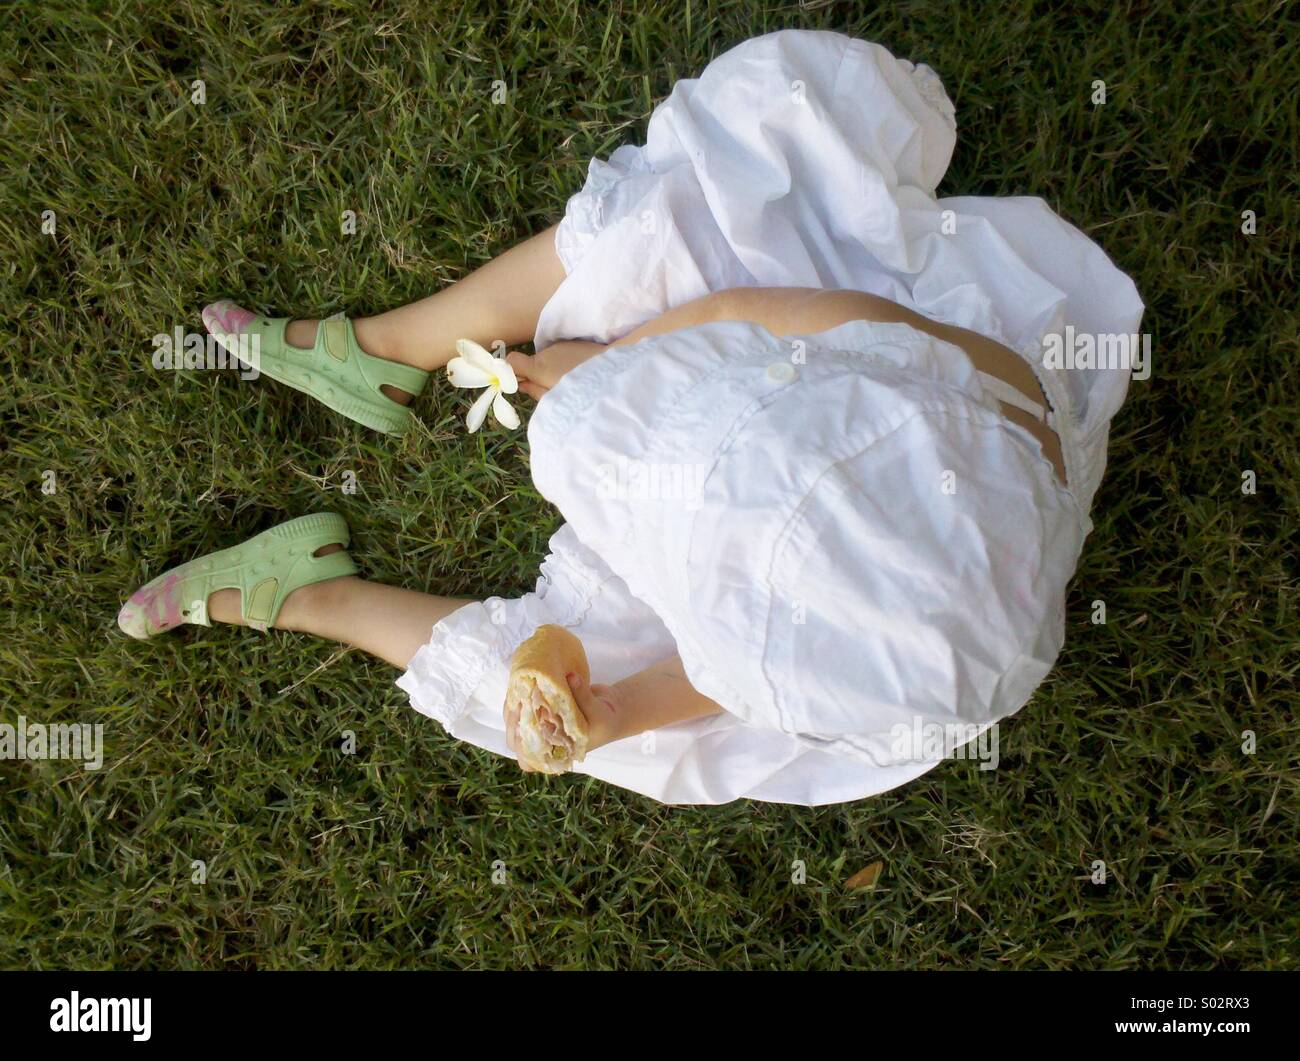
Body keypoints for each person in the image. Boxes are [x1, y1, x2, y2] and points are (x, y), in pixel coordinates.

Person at [119, 30, 1144, 806]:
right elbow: (758, 310)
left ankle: (317, 597)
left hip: (794, 610)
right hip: (829, 413)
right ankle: (383, 351)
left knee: (597, 719)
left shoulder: (823, 656)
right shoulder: (950, 380)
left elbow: (718, 679)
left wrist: (616, 710)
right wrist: (613, 364)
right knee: (675, 225)